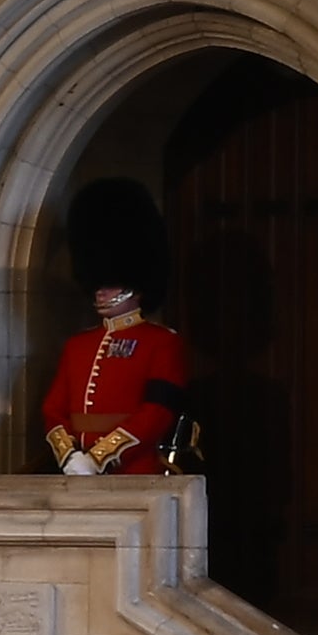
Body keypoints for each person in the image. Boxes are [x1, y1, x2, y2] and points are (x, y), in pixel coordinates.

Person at [40, 173, 193, 474]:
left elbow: (158, 412)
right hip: (75, 470)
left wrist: (99, 457)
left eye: (109, 283)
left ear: (135, 286)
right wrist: (70, 455)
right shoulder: (77, 346)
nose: (100, 290)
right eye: (98, 282)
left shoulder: (161, 343)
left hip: (134, 471)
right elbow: (53, 409)